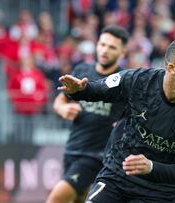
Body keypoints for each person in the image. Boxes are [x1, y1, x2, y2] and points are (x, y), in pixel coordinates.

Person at [57, 38, 175, 203]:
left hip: (158, 192)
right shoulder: (139, 81)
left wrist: (150, 167)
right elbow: (97, 89)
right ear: (171, 68)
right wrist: (78, 91)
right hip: (117, 176)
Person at [46, 25, 130, 203]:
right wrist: (63, 109)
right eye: (102, 44)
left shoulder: (124, 80)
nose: (105, 50)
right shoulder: (82, 70)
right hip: (72, 148)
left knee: (56, 199)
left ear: (123, 52)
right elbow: (59, 101)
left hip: (96, 155)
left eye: (112, 47)